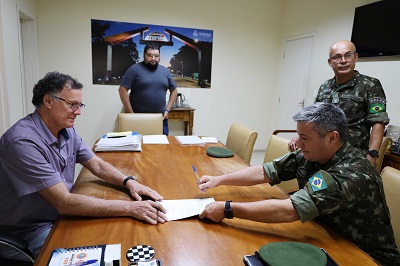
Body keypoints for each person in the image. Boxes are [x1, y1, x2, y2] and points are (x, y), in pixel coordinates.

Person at [199, 103, 399, 265]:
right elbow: (266, 171)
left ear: (332, 137)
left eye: (304, 138)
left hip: (365, 255)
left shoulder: (350, 172)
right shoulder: (313, 153)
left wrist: (227, 209)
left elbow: (289, 210)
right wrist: (219, 180)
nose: (298, 143)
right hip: (324, 234)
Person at [0, 72, 168, 261]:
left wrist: (128, 182)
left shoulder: (66, 129)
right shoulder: (22, 141)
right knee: (98, 253)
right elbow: (63, 202)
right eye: (72, 104)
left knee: (121, 238)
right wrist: (131, 208)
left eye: (79, 105)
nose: (78, 111)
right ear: (48, 101)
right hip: (31, 230)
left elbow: (96, 164)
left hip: (60, 216)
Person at [288, 40, 389, 168]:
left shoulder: (370, 85)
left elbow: (378, 122)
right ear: (330, 62)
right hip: (322, 154)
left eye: (348, 55)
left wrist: (372, 154)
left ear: (355, 57)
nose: (343, 60)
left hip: (352, 157)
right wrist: (301, 138)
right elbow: (313, 120)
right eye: (337, 57)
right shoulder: (325, 86)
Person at [118, 42, 178, 135]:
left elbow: (174, 90)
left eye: (156, 56)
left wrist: (168, 110)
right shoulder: (134, 69)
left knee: (162, 148)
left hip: (160, 119)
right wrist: (131, 114)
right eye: (150, 55)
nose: (153, 59)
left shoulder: (165, 71)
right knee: (138, 147)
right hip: (137, 118)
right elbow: (122, 90)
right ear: (144, 55)